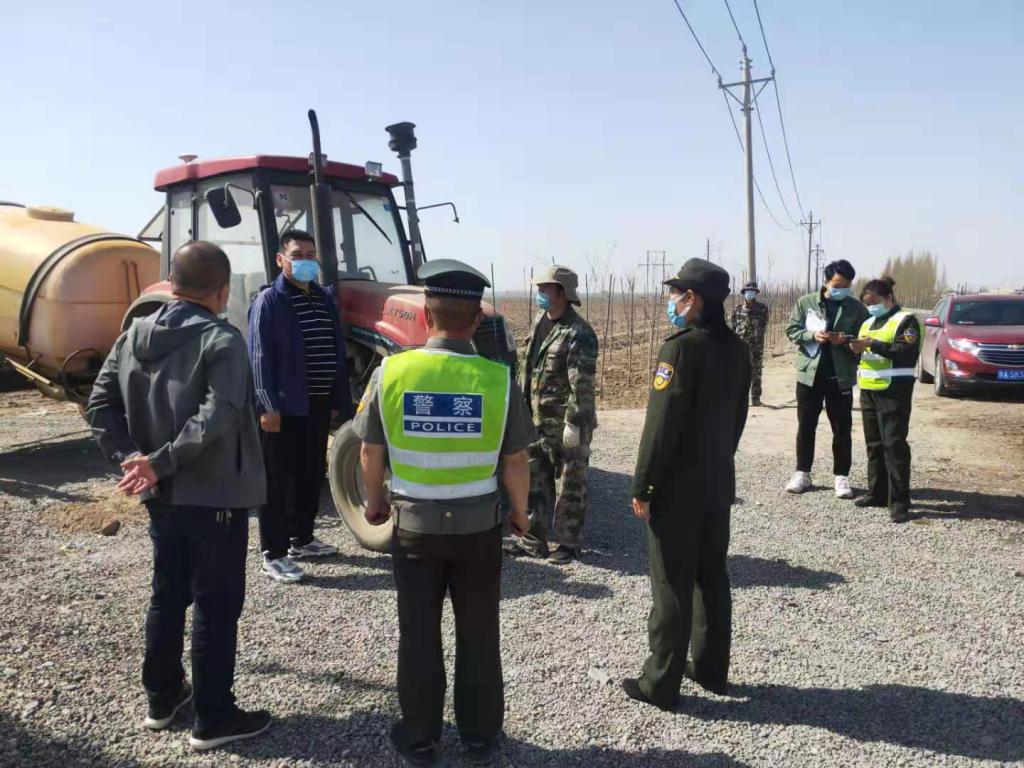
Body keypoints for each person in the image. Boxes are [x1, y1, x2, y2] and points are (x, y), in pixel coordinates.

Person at [86, 242, 271, 751]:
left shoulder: (132, 336)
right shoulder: (222, 339)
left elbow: (99, 403)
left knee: (168, 593)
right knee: (216, 603)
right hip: (215, 498)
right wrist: (157, 461)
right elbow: (220, 414)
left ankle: (162, 697)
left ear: (171, 282)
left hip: (161, 496)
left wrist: (132, 457)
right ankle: (214, 717)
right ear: (222, 291)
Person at [353, 259, 535, 766]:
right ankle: (479, 736)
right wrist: (520, 514)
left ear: (426, 316)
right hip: (479, 532)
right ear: (476, 319)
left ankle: (420, 738)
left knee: (418, 633)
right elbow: (516, 460)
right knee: (478, 632)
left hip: (414, 532)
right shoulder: (498, 380)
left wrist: (375, 501)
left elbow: (369, 450)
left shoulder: (391, 372)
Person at [621, 259, 751, 710]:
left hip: (677, 488)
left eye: (675, 294)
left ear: (692, 298)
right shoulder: (737, 349)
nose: (671, 302)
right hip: (718, 481)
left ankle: (660, 683)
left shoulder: (680, 349)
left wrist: (643, 484)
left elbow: (660, 427)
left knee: (671, 582)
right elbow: (737, 419)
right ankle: (712, 670)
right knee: (711, 577)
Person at [248, 230, 353, 583]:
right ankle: (273, 552)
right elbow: (259, 355)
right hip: (283, 406)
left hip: (317, 404)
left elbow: (335, 350)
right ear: (281, 259)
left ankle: (302, 539)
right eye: (297, 255)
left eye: (310, 254)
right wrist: (267, 405)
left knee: (309, 474)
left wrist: (337, 399)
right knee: (278, 479)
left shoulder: (322, 298)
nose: (305, 261)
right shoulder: (270, 301)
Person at [504, 265, 598, 564]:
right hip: (535, 418)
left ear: (562, 293)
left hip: (565, 422)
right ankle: (533, 539)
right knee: (535, 479)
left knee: (571, 483)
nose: (540, 293)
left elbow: (582, 384)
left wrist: (575, 423)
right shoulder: (539, 321)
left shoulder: (579, 333)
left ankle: (568, 544)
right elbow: (529, 368)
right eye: (539, 288)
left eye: (545, 288)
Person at [784, 260, 869, 499]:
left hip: (840, 376)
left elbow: (864, 337)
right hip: (810, 375)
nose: (842, 289)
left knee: (841, 428)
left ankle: (841, 476)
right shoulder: (806, 302)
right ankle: (802, 472)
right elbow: (792, 330)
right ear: (826, 282)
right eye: (837, 285)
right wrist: (812, 336)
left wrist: (846, 339)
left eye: (846, 285)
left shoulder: (856, 308)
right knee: (806, 425)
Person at [848, 277, 922, 523]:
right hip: (869, 390)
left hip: (894, 390)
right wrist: (856, 348)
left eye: (875, 302)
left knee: (894, 445)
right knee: (875, 444)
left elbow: (906, 353)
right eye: (867, 304)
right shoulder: (868, 323)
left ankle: (899, 501)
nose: (871, 307)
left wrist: (872, 344)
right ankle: (877, 492)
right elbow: (864, 357)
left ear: (889, 298)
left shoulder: (906, 321)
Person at [731, 280, 769, 406]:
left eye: (752, 291)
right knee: (740, 373)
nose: (750, 293)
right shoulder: (737, 309)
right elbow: (733, 327)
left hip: (756, 346)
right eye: (748, 291)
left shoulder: (762, 309)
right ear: (744, 293)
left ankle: (756, 398)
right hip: (740, 347)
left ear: (756, 293)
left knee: (756, 372)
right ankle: (740, 399)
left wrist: (757, 337)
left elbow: (764, 326)